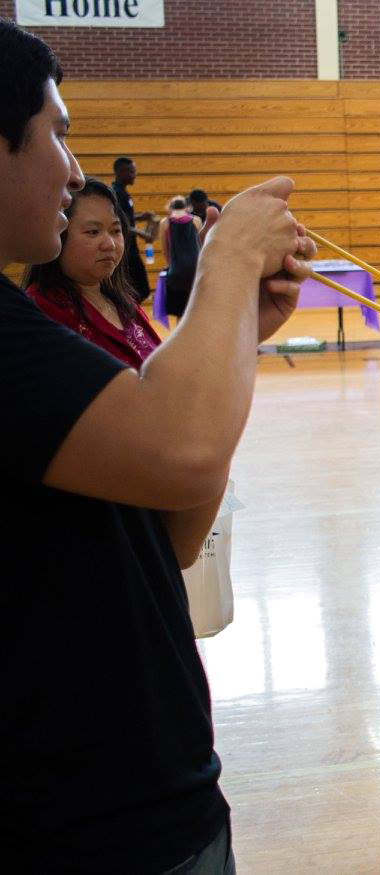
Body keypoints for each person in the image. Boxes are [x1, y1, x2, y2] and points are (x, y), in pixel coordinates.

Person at [0, 21, 314, 871]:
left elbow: (171, 524)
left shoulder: (32, 327)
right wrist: (224, 264)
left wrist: (236, 335)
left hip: (141, 792)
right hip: (92, 821)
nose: (71, 167)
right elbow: (183, 449)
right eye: (56, 132)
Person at [23, 177, 161, 368]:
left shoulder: (123, 302)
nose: (110, 244)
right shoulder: (41, 311)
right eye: (93, 232)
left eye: (115, 230)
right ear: (58, 234)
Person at [111, 154, 155, 303]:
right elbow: (119, 223)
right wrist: (143, 234)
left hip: (131, 248)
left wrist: (140, 217)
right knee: (139, 289)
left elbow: (125, 217)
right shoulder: (116, 194)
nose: (134, 175)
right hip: (126, 250)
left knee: (139, 289)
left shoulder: (123, 193)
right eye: (130, 171)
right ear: (120, 172)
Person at [161, 194, 204, 318]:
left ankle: (181, 333)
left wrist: (170, 266)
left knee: (179, 310)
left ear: (170, 207)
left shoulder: (165, 223)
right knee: (195, 308)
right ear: (187, 207)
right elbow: (201, 246)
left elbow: (165, 249)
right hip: (194, 269)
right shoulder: (196, 220)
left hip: (176, 271)